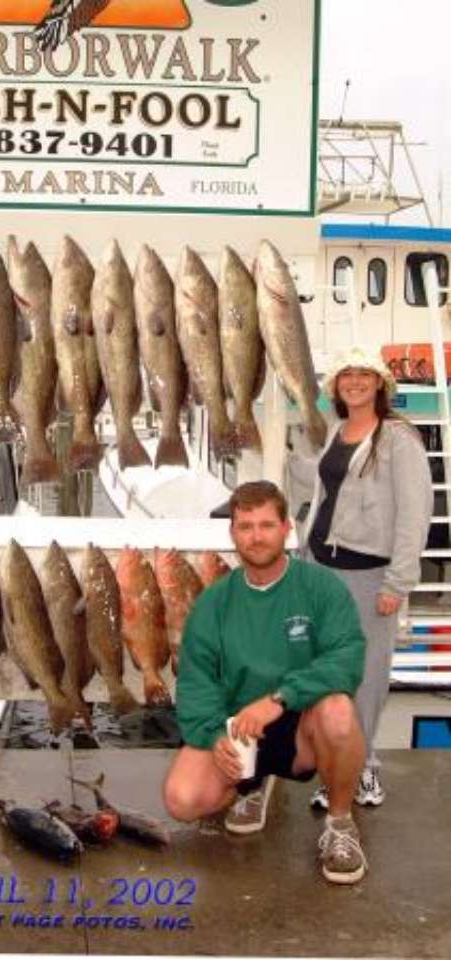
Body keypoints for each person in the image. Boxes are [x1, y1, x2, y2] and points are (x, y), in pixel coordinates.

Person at [163, 481, 368, 885]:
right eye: (245, 527)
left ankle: (341, 825)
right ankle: (250, 787)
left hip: (302, 724)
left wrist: (281, 698)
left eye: (266, 525)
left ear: (286, 528)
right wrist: (211, 737)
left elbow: (347, 658)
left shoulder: (321, 587)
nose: (256, 537)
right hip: (239, 730)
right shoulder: (213, 603)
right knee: (182, 799)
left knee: (340, 712)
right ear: (233, 533)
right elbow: (195, 682)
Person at [291, 345, 432, 810]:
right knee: (330, 675)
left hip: (370, 577)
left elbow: (415, 513)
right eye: (346, 375)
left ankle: (364, 770)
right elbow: (316, 482)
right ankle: (336, 767)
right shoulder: (336, 432)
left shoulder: (398, 438)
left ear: (379, 385)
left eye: (363, 376)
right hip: (322, 570)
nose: (354, 382)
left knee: (367, 678)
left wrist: (398, 583)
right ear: (336, 386)